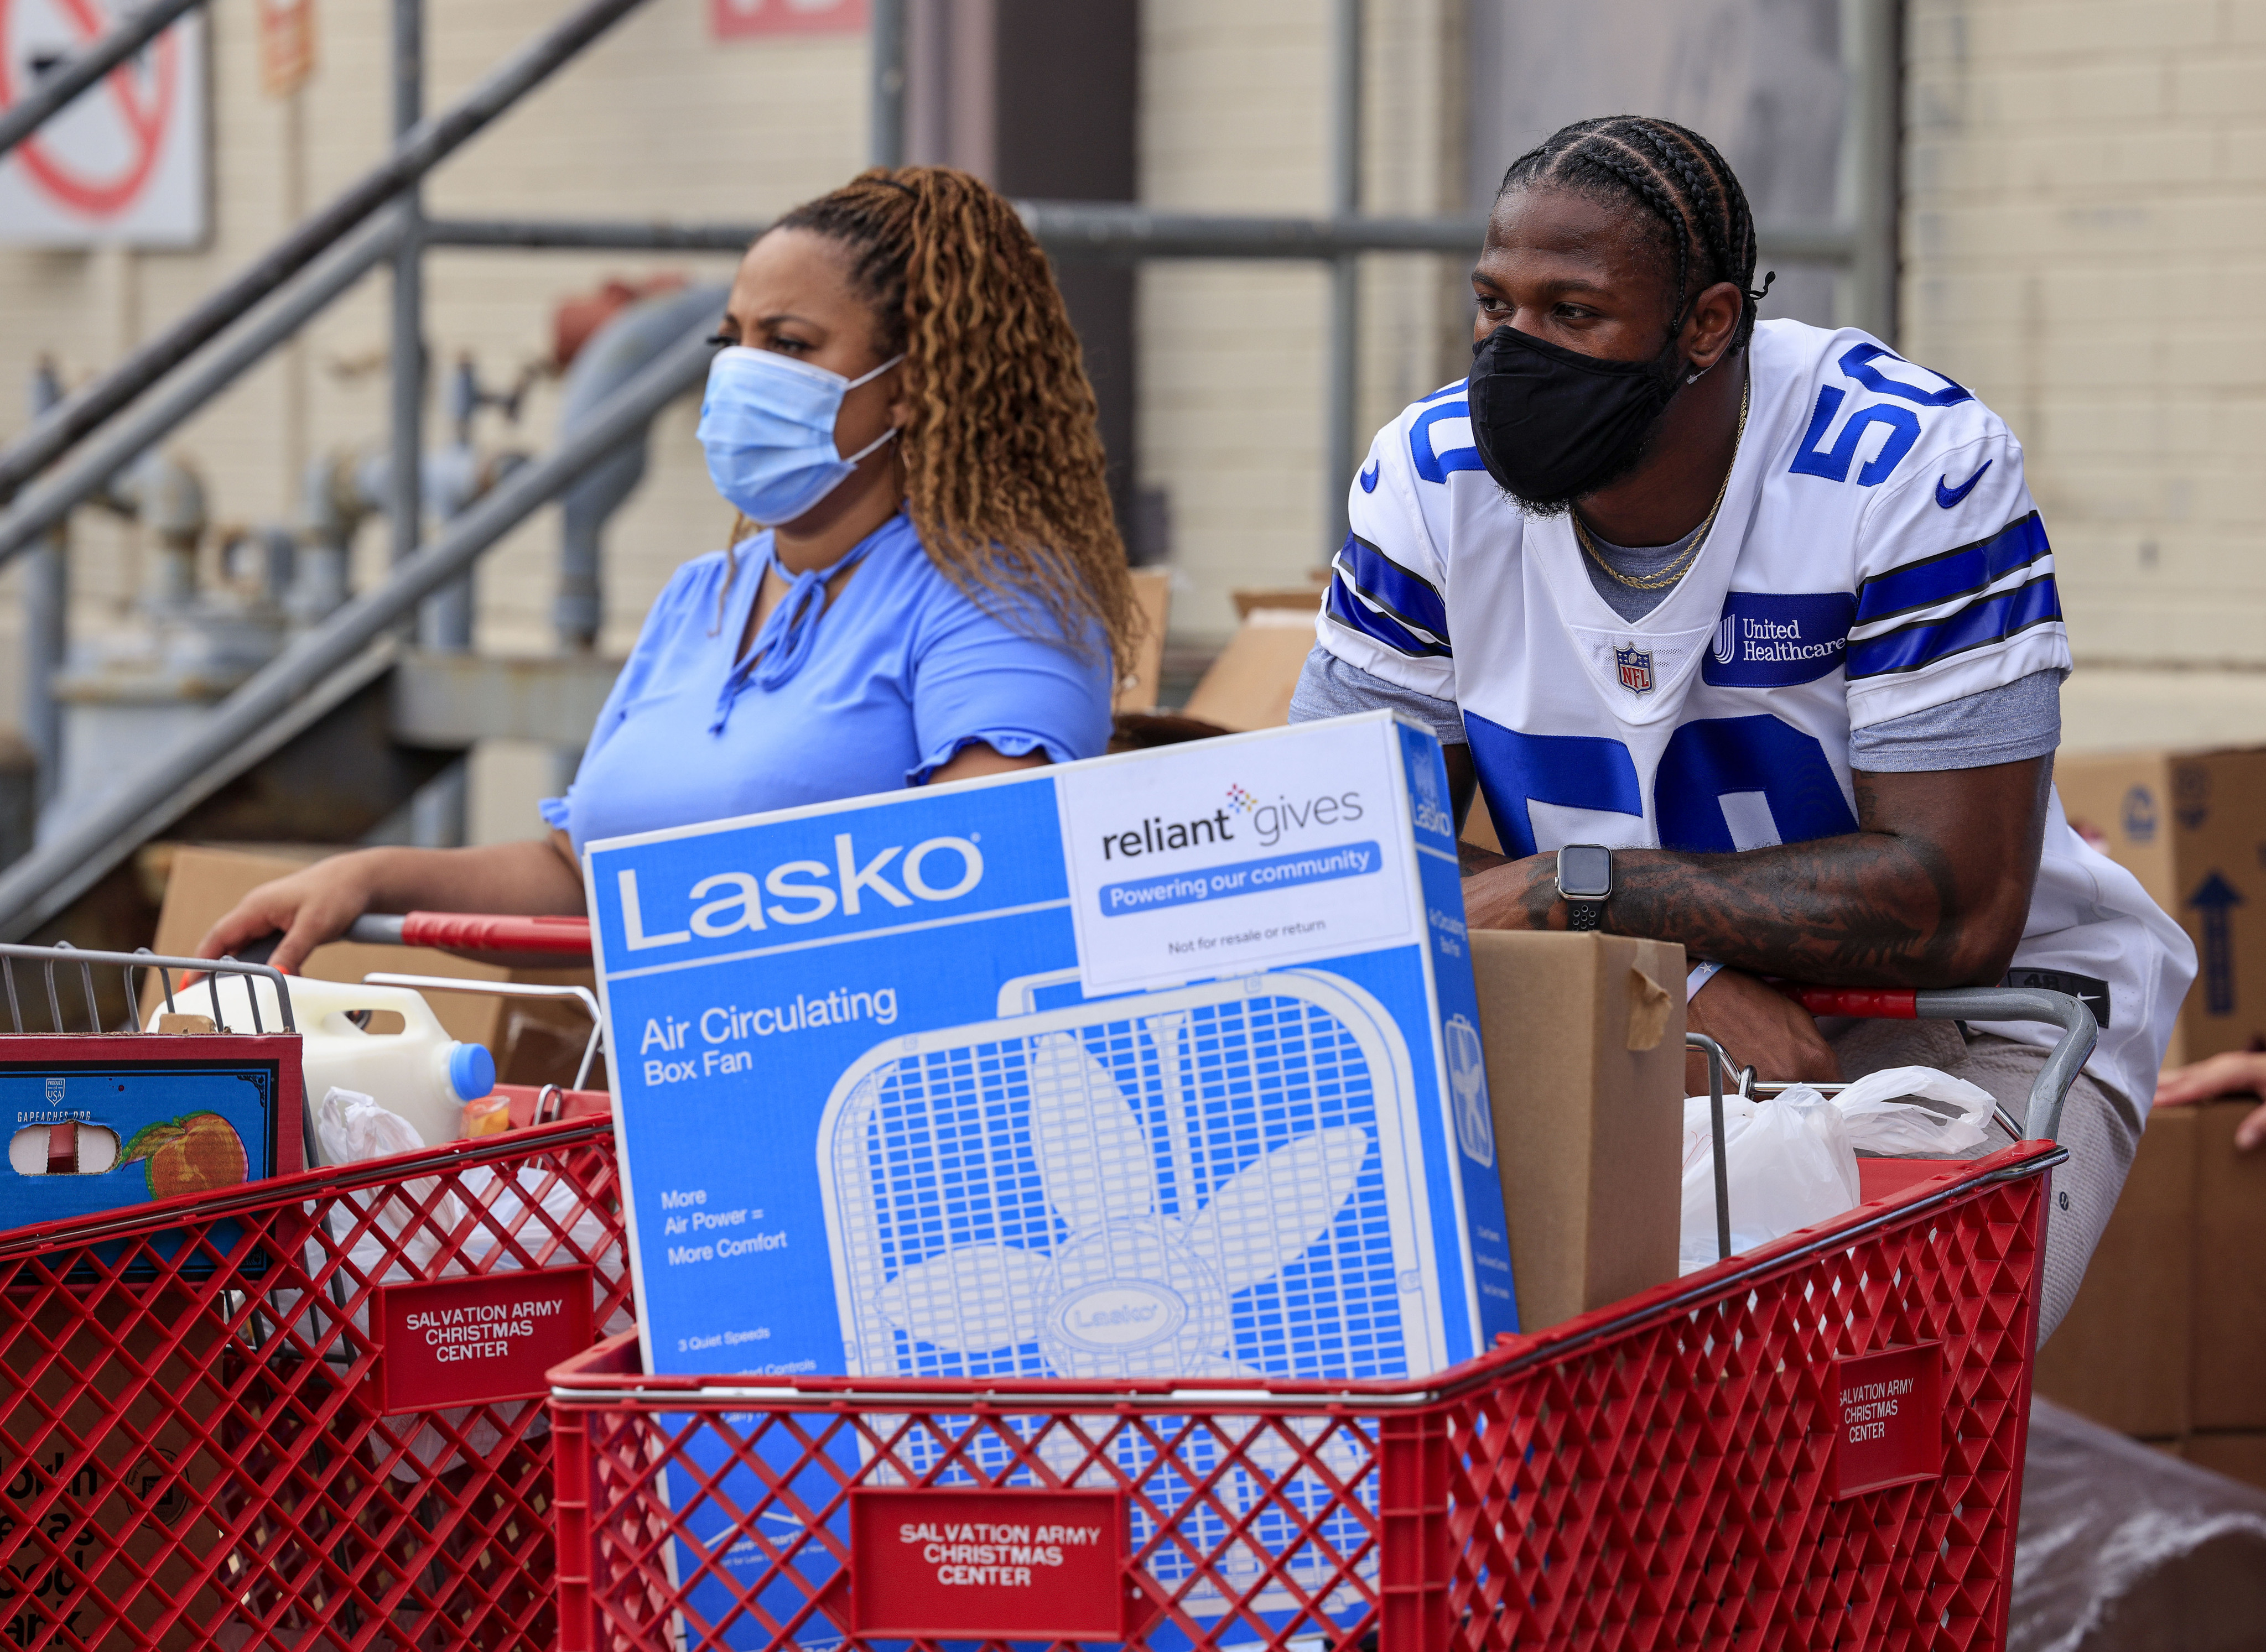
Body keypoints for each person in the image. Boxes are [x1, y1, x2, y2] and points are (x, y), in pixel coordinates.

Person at [1288, 114, 2195, 1338]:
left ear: (1706, 324)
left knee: (1866, 1393)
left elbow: (1956, 905)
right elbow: (1331, 852)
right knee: (1511, 1383)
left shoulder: (1902, 466)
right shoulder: (1425, 479)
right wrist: (1679, 966)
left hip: (1970, 1014)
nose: (1514, 349)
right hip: (1633, 997)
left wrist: (1579, 890)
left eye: (1571, 312)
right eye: (1494, 306)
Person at [200, 167, 1131, 972]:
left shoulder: (1005, 601)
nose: (740, 374)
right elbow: (579, 879)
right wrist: (368, 876)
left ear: (920, 382)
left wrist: (680, 930)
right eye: (731, 342)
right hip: (670, 1117)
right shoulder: (704, 595)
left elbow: (984, 880)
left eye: (791, 345)